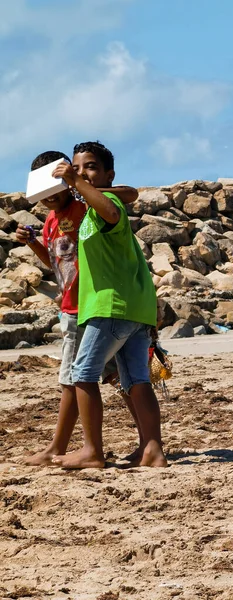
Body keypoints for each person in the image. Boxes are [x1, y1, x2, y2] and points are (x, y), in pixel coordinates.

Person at [16, 150, 139, 466]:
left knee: (74, 379)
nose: (48, 199)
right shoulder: (50, 222)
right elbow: (58, 263)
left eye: (53, 189)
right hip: (74, 307)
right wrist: (33, 243)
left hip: (89, 309)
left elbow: (129, 195)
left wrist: (74, 181)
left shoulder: (83, 206)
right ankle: (146, 442)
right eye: (41, 195)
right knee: (111, 377)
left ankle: (58, 447)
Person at [51, 141, 166, 469]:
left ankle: (92, 451)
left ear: (108, 174)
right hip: (132, 307)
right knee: (135, 380)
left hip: (111, 306)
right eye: (77, 166)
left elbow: (114, 207)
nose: (81, 171)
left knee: (83, 374)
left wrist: (76, 182)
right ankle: (152, 450)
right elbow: (125, 195)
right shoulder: (91, 207)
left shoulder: (107, 202)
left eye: (90, 166)